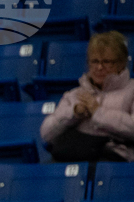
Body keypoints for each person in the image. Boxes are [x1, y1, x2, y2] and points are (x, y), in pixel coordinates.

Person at [40, 31, 134, 163]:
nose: (99, 67)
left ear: (121, 63)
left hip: (113, 159)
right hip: (75, 154)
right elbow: (46, 133)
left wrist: (98, 112)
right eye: (94, 61)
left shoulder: (131, 90)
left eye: (107, 62)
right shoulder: (75, 94)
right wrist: (73, 113)